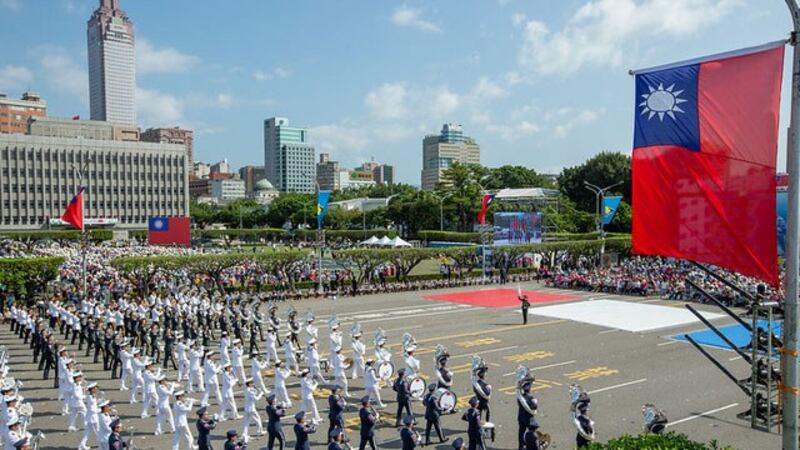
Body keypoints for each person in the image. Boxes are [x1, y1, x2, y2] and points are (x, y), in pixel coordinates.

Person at [241, 378, 265, 442]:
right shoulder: (250, 391)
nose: (253, 384)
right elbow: (256, 399)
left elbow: (254, 392)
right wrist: (261, 393)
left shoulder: (247, 390)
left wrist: (256, 389)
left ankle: (244, 434)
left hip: (246, 409)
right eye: (252, 383)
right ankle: (259, 431)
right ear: (249, 384)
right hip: (251, 409)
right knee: (258, 420)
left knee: (246, 423)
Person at [517, 381, 537, 450]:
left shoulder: (520, 397)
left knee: (521, 432)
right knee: (531, 433)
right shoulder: (531, 398)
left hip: (521, 416)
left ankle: (521, 446)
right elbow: (534, 407)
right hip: (529, 418)